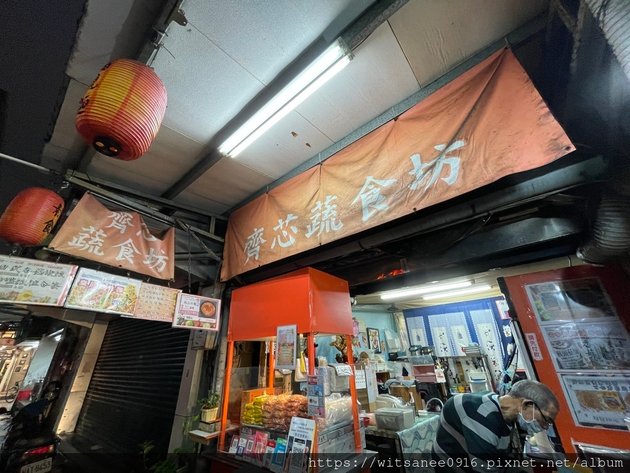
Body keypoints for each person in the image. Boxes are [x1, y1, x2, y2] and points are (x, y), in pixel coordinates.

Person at [432, 379, 559, 473]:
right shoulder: (480, 415)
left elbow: (512, 461)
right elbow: (484, 469)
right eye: (546, 419)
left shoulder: (514, 418)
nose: (545, 426)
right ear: (527, 405)